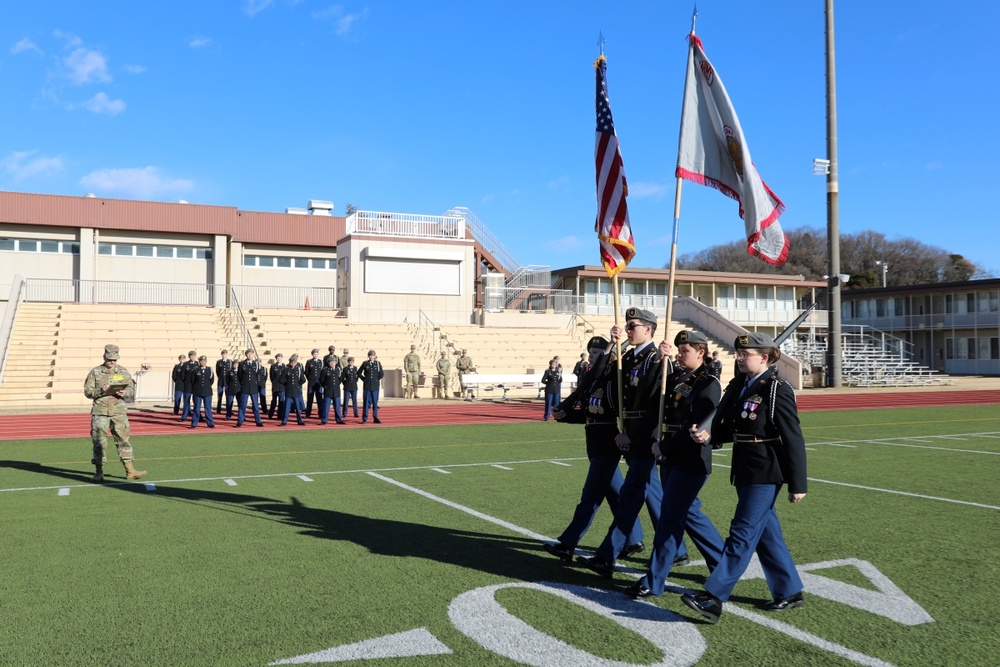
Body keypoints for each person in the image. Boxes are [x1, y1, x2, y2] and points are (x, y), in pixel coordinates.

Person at [681, 332, 808, 624]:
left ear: (764, 357)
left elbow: (793, 437)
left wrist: (797, 483)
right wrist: (709, 434)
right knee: (766, 533)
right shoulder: (741, 386)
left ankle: (713, 597)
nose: (739, 358)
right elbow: (732, 429)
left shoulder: (776, 389)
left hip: (766, 469)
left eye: (745, 354)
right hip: (745, 468)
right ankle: (789, 590)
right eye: (738, 354)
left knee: (741, 532)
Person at [627, 330, 725, 599]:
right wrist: (661, 360)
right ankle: (723, 564)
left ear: (701, 352)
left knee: (670, 519)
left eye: (685, 352)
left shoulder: (709, 384)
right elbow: (649, 392)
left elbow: (695, 428)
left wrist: (664, 446)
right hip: (670, 459)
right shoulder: (678, 377)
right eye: (679, 351)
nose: (680, 355)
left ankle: (654, 580)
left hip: (689, 461)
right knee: (689, 514)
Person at [542, 336, 655, 563]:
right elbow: (589, 413)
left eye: (597, 352)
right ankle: (633, 539)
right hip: (594, 442)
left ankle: (567, 544)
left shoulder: (611, 378)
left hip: (608, 442)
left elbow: (612, 412)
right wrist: (565, 416)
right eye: (591, 352)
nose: (593, 356)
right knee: (614, 495)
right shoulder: (593, 380)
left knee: (590, 496)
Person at [579, 307, 666, 579]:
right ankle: (677, 551)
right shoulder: (629, 356)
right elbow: (598, 376)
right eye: (627, 326)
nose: (628, 330)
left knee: (630, 497)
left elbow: (655, 408)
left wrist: (632, 434)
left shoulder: (656, 358)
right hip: (629, 432)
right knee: (652, 495)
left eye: (633, 326)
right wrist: (612, 346)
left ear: (648, 329)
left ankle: (607, 557)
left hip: (644, 436)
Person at [83, 344, 146, 483]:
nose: (112, 362)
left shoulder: (122, 371)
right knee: (99, 443)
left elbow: (130, 388)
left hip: (119, 412)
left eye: (115, 359)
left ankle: (130, 471)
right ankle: (99, 472)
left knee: (123, 441)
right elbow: (87, 391)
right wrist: (101, 390)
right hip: (101, 412)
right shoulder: (95, 372)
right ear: (104, 357)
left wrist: (126, 392)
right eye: (110, 359)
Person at [235, 349, 263, 427]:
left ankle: (258, 421)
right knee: (242, 405)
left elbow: (258, 375)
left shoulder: (256, 364)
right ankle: (240, 421)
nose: (250, 355)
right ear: (246, 355)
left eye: (251, 354)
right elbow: (239, 376)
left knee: (255, 406)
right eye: (249, 354)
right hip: (245, 387)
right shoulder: (242, 364)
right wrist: (243, 384)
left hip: (253, 388)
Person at [190, 355, 216, 429]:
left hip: (207, 392)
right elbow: (193, 380)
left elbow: (211, 380)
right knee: (196, 408)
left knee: (208, 408)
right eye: (201, 361)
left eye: (204, 361)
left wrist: (206, 387)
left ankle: (210, 423)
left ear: (206, 362)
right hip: (197, 392)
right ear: (199, 362)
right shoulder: (196, 370)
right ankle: (194, 423)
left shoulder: (210, 370)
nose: (203, 362)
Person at [281, 353, 307, 426]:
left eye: (294, 362)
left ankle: (300, 420)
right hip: (288, 390)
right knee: (287, 407)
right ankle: (284, 421)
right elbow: (281, 379)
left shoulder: (298, 369)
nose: (292, 364)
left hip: (296, 390)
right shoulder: (286, 369)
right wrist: (286, 384)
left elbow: (303, 379)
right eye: (291, 362)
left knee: (298, 407)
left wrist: (298, 385)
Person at [359, 349, 384, 424]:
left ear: (375, 356)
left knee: (375, 403)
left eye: (373, 355)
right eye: (370, 355)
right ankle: (364, 418)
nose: (371, 357)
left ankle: (375, 417)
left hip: (375, 386)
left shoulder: (378, 363)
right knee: (366, 403)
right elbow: (359, 373)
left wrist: (376, 380)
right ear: (368, 356)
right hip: (367, 386)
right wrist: (364, 379)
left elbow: (381, 374)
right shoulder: (365, 363)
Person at [319, 357, 345, 425]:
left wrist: (336, 384)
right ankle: (324, 420)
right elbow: (321, 380)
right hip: (328, 390)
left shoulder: (338, 369)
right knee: (326, 407)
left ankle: (338, 420)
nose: (333, 363)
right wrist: (325, 386)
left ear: (336, 363)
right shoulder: (325, 370)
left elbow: (340, 379)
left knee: (337, 407)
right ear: (328, 362)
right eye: (331, 362)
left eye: (334, 362)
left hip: (336, 390)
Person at [179, 350, 198, 422]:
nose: (193, 357)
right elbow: (182, 375)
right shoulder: (186, 364)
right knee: (186, 401)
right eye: (191, 356)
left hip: (195, 385)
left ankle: (198, 416)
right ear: (189, 356)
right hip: (188, 385)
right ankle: (184, 417)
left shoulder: (197, 364)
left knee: (196, 402)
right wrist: (186, 382)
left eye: (194, 356)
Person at [304, 348, 324, 418]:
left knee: (319, 399)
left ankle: (321, 414)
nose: (315, 355)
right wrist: (309, 378)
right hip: (311, 383)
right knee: (310, 399)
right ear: (312, 355)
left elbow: (323, 372)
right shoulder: (309, 362)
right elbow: (306, 372)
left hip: (319, 383)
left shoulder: (321, 362)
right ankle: (308, 413)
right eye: (314, 354)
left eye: (316, 354)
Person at [268, 353, 287, 420]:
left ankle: (280, 415)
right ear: (276, 359)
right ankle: (271, 414)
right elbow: (271, 376)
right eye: (278, 358)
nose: (279, 359)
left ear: (282, 359)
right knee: (274, 401)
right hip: (275, 386)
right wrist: (274, 382)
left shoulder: (284, 366)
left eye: (280, 358)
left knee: (281, 401)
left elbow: (285, 376)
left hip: (282, 386)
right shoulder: (273, 366)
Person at [215, 349, 233, 415]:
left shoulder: (230, 362)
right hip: (221, 381)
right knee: (219, 396)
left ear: (227, 354)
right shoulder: (219, 362)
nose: (224, 355)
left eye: (225, 354)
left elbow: (231, 371)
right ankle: (218, 410)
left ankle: (229, 410)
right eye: (223, 354)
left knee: (228, 396)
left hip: (228, 382)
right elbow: (217, 371)